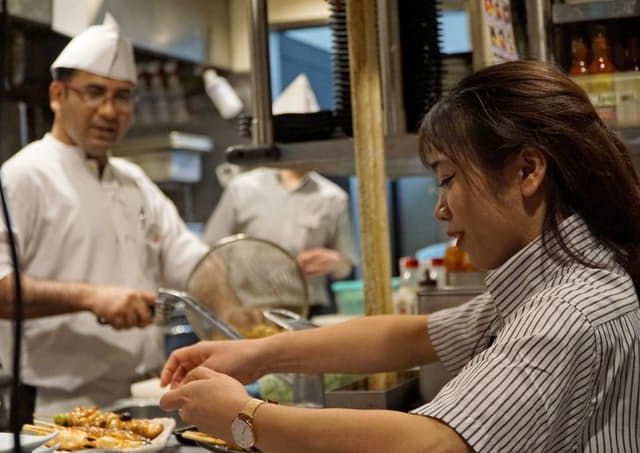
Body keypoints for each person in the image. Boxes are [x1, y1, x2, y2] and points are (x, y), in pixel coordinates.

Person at [158, 60, 640, 452]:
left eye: (449, 177)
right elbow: (408, 336)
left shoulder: (566, 308)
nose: (441, 206)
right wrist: (256, 354)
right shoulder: (553, 282)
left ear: (527, 170)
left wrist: (245, 417)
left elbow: (435, 444)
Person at [0, 14, 208, 415]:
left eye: (122, 96)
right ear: (58, 95)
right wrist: (90, 297)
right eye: (94, 92)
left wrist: (245, 304)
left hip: (141, 396)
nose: (109, 111)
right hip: (55, 407)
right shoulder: (26, 176)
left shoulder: (135, 182)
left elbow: (195, 267)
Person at [202, 167, 358, 317]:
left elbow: (346, 267)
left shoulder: (333, 197)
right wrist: (224, 302)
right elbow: (211, 252)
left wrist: (334, 261)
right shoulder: (242, 188)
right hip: (248, 309)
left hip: (308, 310)